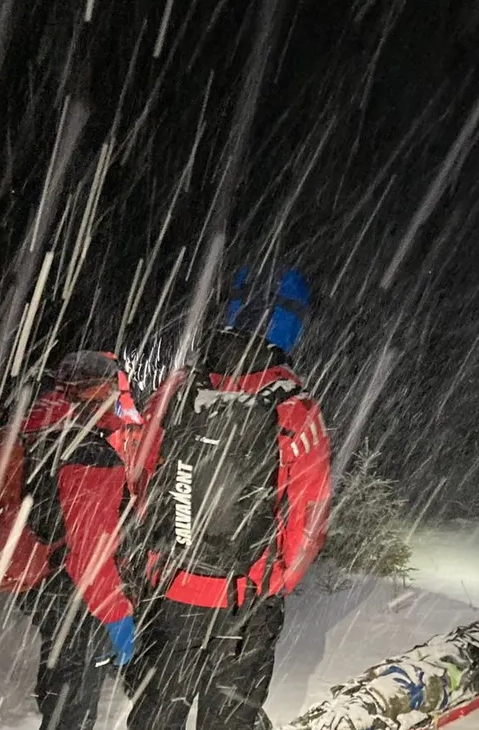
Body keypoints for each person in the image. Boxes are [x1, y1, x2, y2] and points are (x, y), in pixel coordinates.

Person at [119, 266, 332, 730]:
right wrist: (273, 581)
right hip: (243, 604)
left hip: (170, 592)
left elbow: (138, 474)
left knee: (157, 714)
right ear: (292, 325)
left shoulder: (178, 388)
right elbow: (309, 518)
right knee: (230, 720)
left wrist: (158, 556)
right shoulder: (294, 405)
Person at [14, 350, 144, 730]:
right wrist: (117, 617)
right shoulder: (91, 450)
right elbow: (90, 552)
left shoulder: (44, 429)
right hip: (81, 595)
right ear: (99, 390)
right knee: (75, 704)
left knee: (61, 692)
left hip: (46, 581)